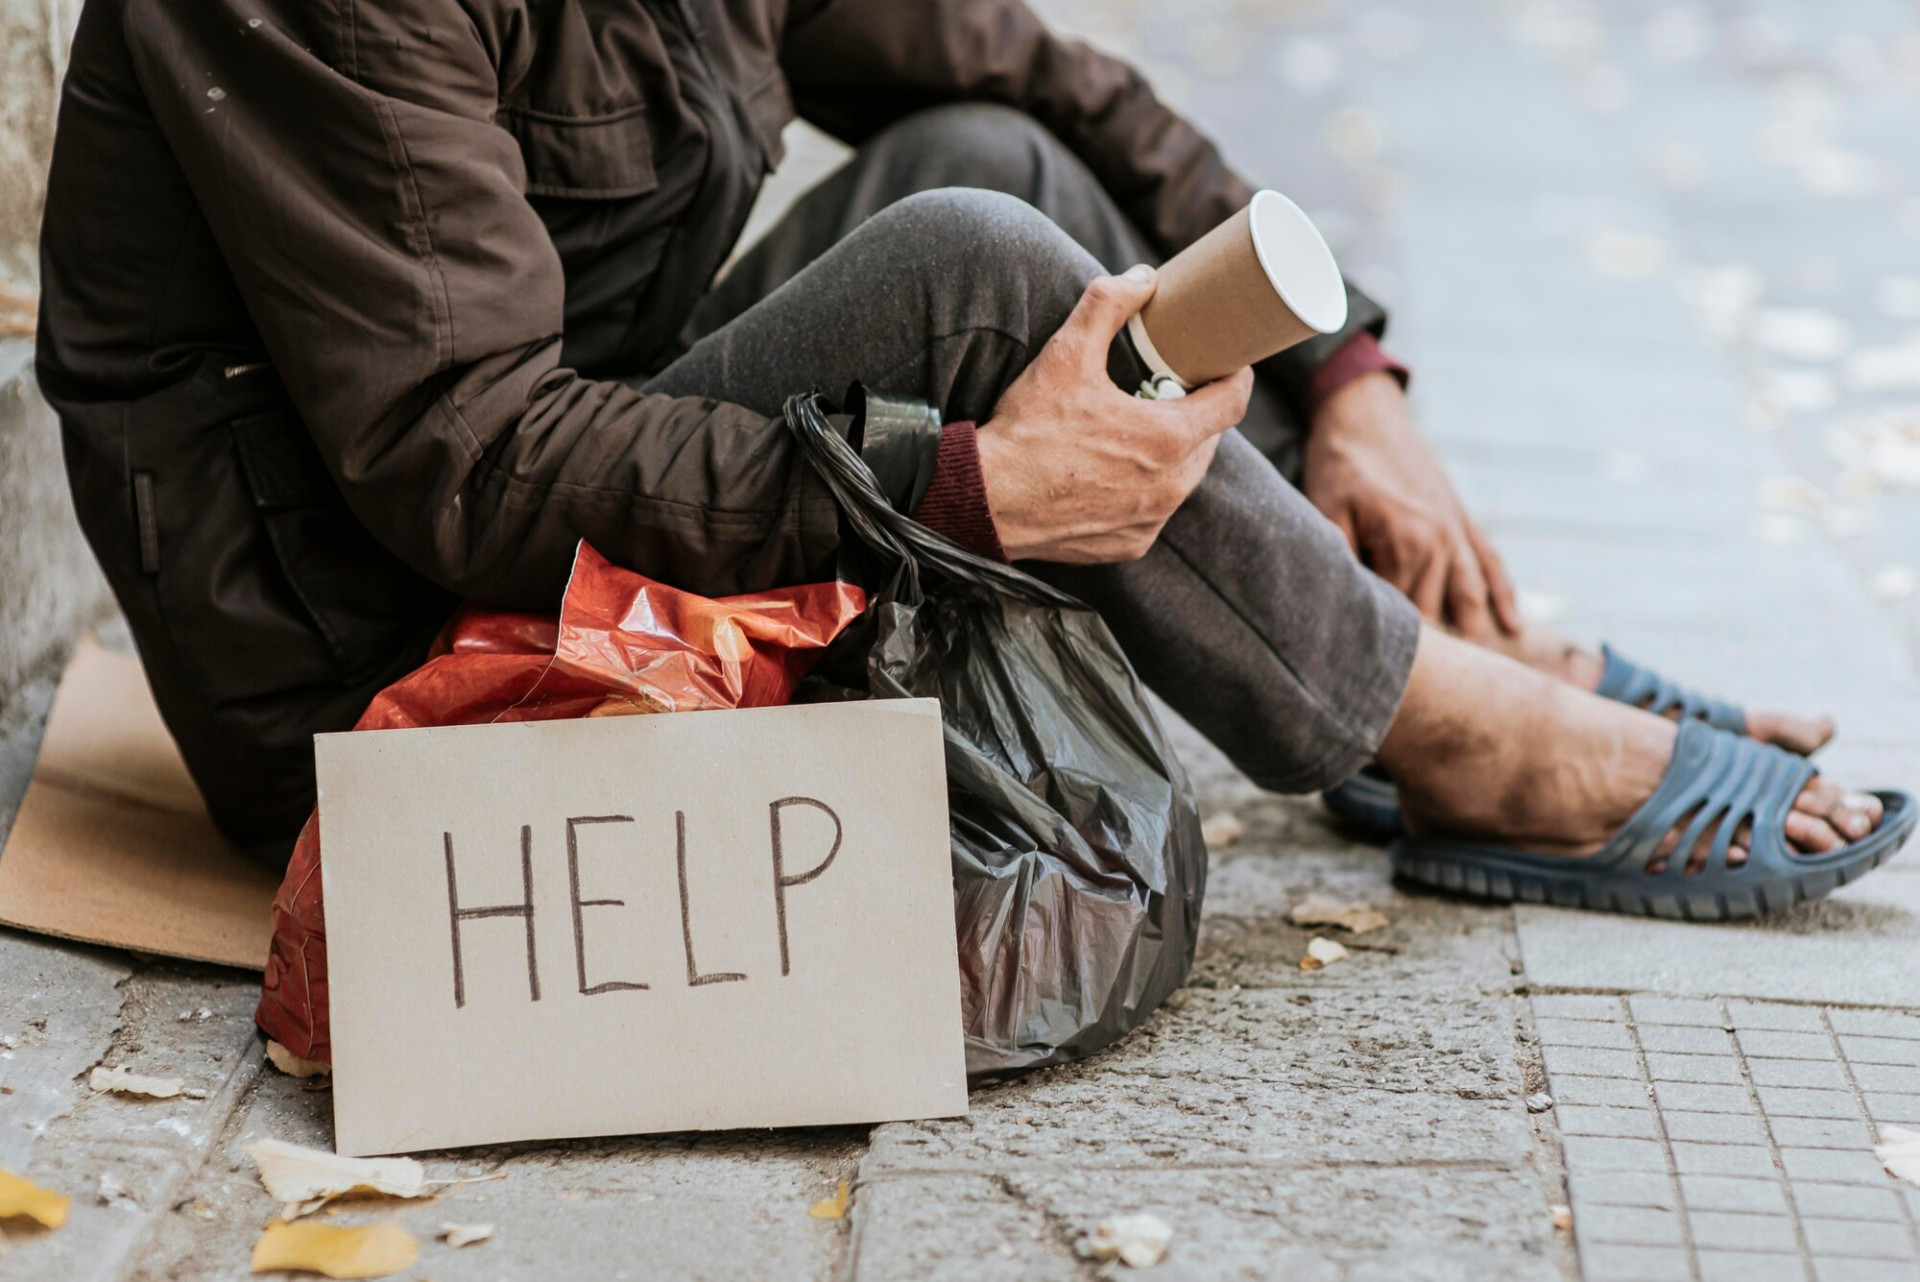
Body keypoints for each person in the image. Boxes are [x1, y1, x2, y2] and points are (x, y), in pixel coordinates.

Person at [36, 0, 1909, 913]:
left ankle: (1394, 658)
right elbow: (461, 461)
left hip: (608, 545)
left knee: (999, 164)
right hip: (393, 689)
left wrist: (1346, 369)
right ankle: (1468, 738)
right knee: (974, 268)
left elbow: (1024, 70)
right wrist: (962, 492)